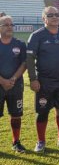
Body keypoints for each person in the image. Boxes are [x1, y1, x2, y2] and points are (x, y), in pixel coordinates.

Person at [27, 7, 59, 152]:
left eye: (57, 15)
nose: (54, 17)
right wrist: (33, 79)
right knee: (42, 112)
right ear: (44, 19)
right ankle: (40, 141)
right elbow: (29, 58)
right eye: (50, 15)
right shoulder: (36, 36)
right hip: (44, 82)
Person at [0, 15, 27, 153]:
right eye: (6, 24)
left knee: (16, 115)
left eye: (11, 24)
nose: (10, 27)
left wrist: (13, 79)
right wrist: (3, 81)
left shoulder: (20, 44)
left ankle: (16, 142)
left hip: (15, 86)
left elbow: (24, 63)